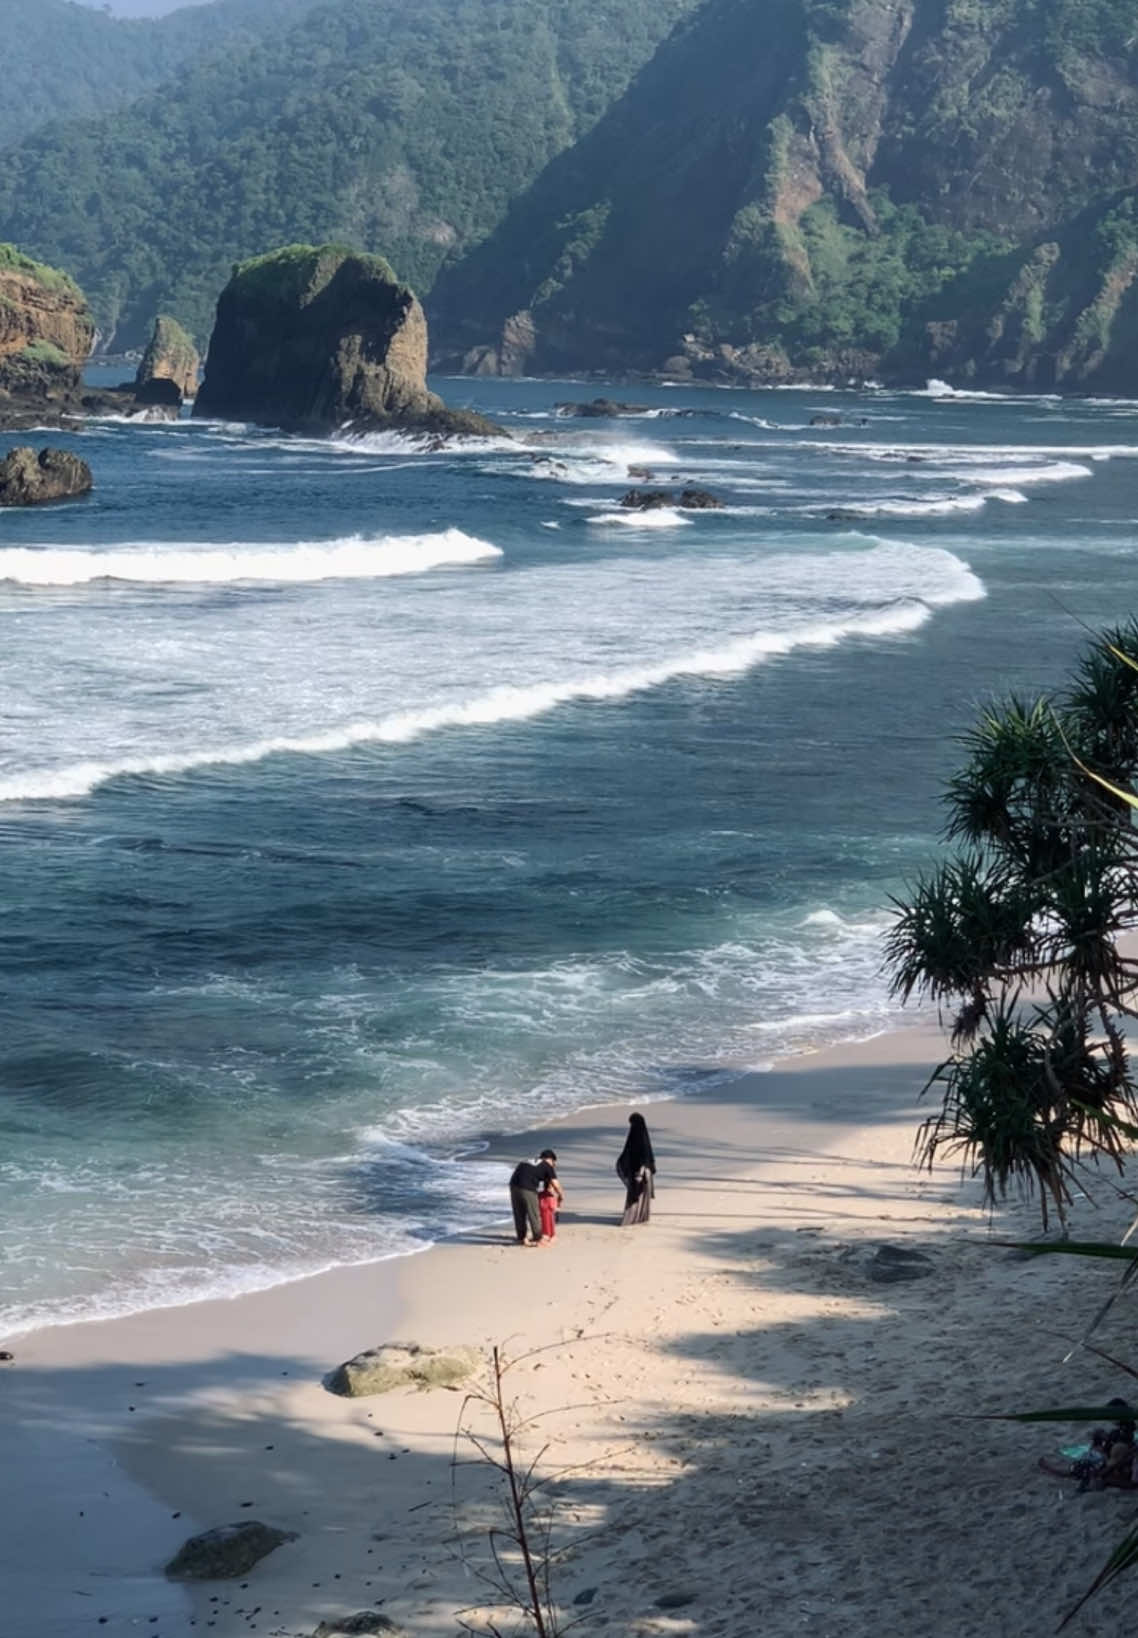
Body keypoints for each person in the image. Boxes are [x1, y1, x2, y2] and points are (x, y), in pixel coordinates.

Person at [509, 1149, 562, 1246]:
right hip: (528, 1188)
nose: (554, 1166)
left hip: (513, 1185)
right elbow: (556, 1184)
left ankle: (521, 1237)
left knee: (519, 1213)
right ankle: (538, 1238)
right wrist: (561, 1196)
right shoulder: (547, 1165)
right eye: (554, 1163)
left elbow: (545, 1183)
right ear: (551, 1160)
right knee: (534, 1214)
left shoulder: (528, 1161)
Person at [616, 1111, 656, 1226]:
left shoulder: (637, 1137)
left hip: (639, 1171)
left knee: (634, 1194)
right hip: (645, 1172)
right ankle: (641, 1217)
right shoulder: (644, 1136)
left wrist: (640, 1172)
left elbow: (643, 1156)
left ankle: (631, 1218)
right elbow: (648, 1156)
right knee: (641, 1196)